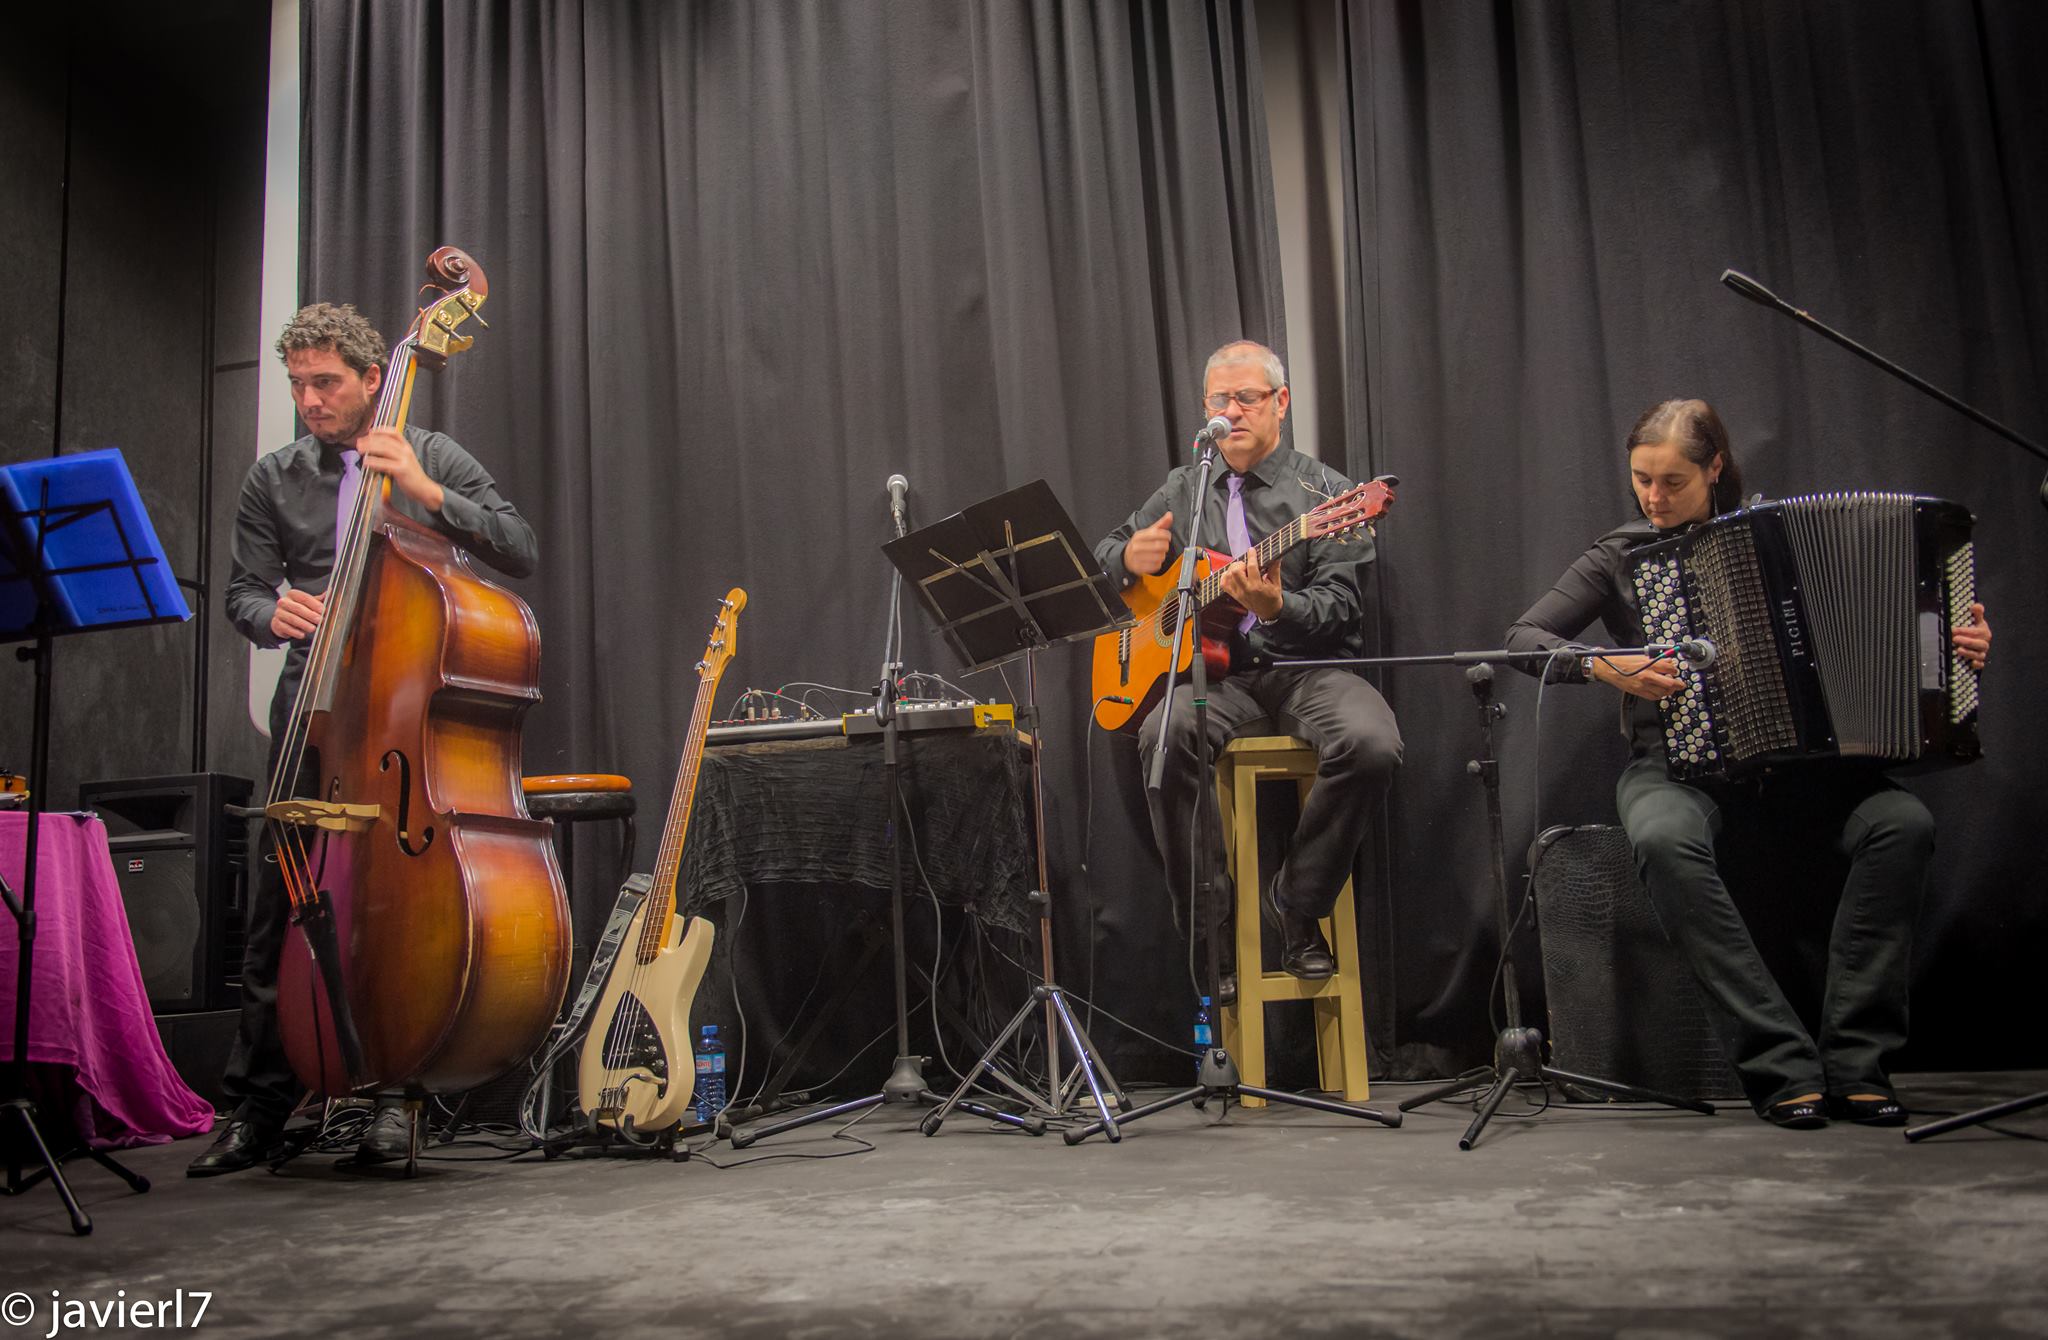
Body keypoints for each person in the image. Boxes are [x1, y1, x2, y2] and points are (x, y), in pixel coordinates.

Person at [1504, 398, 1991, 1129]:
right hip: (1673, 764)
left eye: (1672, 481)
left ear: (1715, 469)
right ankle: (1781, 1062)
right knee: (1664, 837)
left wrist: (1955, 645)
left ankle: (1858, 1062)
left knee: (1903, 821)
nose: (1654, 497)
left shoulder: (1779, 537)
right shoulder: (1621, 554)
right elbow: (1522, 638)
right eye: (1642, 479)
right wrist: (1607, 665)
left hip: (1806, 772)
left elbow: (1917, 626)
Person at [187, 303, 539, 1176]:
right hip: (312, 708)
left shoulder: (434, 453)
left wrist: (423, 491)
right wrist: (274, 614)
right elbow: (242, 594)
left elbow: (519, 546)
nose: (308, 400)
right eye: (298, 385)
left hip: (401, 726)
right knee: (279, 905)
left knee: (399, 906)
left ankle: (395, 1093)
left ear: (374, 378)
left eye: (326, 383)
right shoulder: (273, 479)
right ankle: (258, 1110)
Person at [1094, 340, 1402, 1001]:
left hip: (1307, 670)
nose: (1231, 412)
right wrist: (1129, 558)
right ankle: (1211, 940)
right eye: (1218, 400)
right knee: (1161, 739)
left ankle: (1298, 903)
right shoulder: (1185, 486)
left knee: (1372, 743)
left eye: (1247, 398)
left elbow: (1343, 611)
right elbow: (1104, 557)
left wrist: (1275, 604)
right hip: (1217, 680)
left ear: (1280, 403)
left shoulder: (1329, 492)